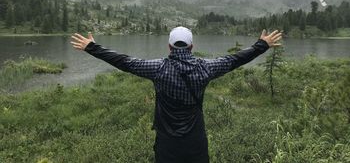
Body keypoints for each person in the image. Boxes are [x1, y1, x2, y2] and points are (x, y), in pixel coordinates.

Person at [71, 27, 282, 163]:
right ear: (191, 47)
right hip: (196, 140)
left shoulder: (157, 68)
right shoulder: (206, 68)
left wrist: (93, 48)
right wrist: (261, 45)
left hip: (167, 142)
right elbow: (234, 60)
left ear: (169, 47)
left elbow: (125, 62)